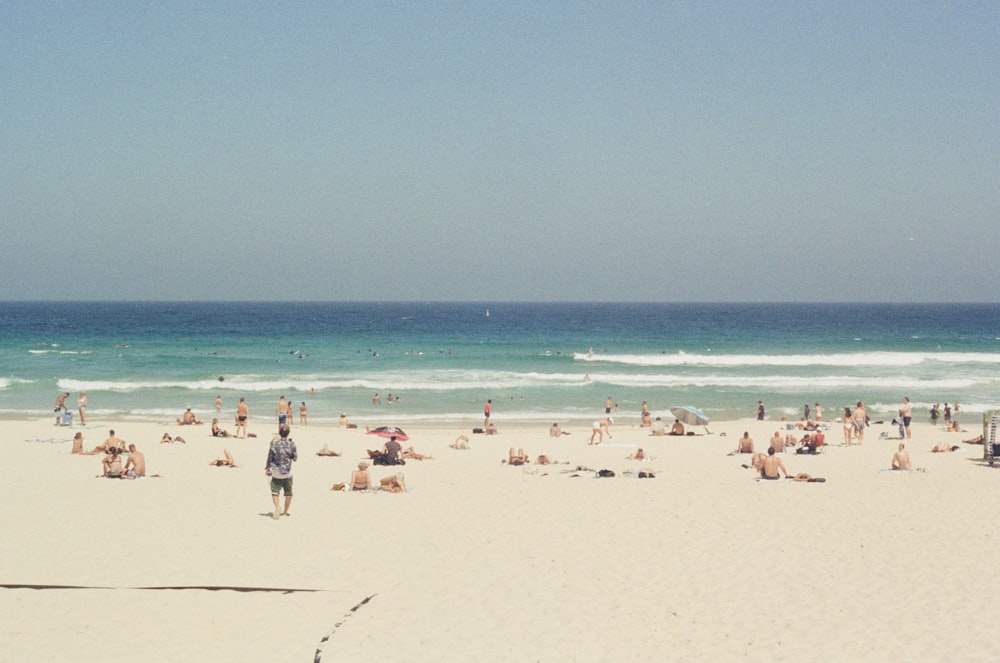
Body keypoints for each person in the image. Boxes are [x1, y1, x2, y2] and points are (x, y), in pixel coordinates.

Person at [265, 425, 297, 519]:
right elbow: (294, 458)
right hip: (288, 473)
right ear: (288, 433)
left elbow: (270, 457)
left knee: (275, 492)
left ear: (279, 433)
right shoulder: (292, 444)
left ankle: (277, 507)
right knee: (288, 493)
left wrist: (267, 468)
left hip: (276, 472)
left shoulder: (274, 444)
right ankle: (285, 512)